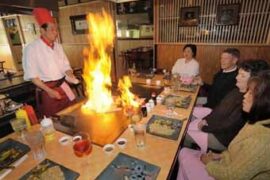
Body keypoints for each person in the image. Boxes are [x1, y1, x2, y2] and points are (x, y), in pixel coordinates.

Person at [178, 70, 270, 180]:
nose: (245, 96)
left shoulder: (260, 142)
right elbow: (234, 150)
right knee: (184, 149)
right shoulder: (255, 122)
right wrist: (220, 156)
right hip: (224, 160)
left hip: (222, 162)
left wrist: (208, 162)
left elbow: (232, 176)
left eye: (250, 93)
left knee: (183, 141)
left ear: (264, 102)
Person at [184, 59, 269, 152]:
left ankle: (189, 153)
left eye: (242, 76)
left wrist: (205, 127)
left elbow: (227, 125)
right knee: (185, 124)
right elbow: (218, 109)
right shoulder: (236, 90)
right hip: (214, 125)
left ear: (254, 81)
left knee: (183, 134)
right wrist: (206, 119)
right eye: (238, 74)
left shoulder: (248, 102)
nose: (237, 77)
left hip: (222, 138)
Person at [22, 8, 79, 117]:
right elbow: (33, 77)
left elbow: (65, 65)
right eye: (52, 30)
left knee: (73, 112)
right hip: (47, 90)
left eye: (56, 30)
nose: (56, 33)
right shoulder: (31, 49)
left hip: (63, 86)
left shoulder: (58, 46)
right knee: (54, 119)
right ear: (42, 31)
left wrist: (69, 74)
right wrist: (49, 91)